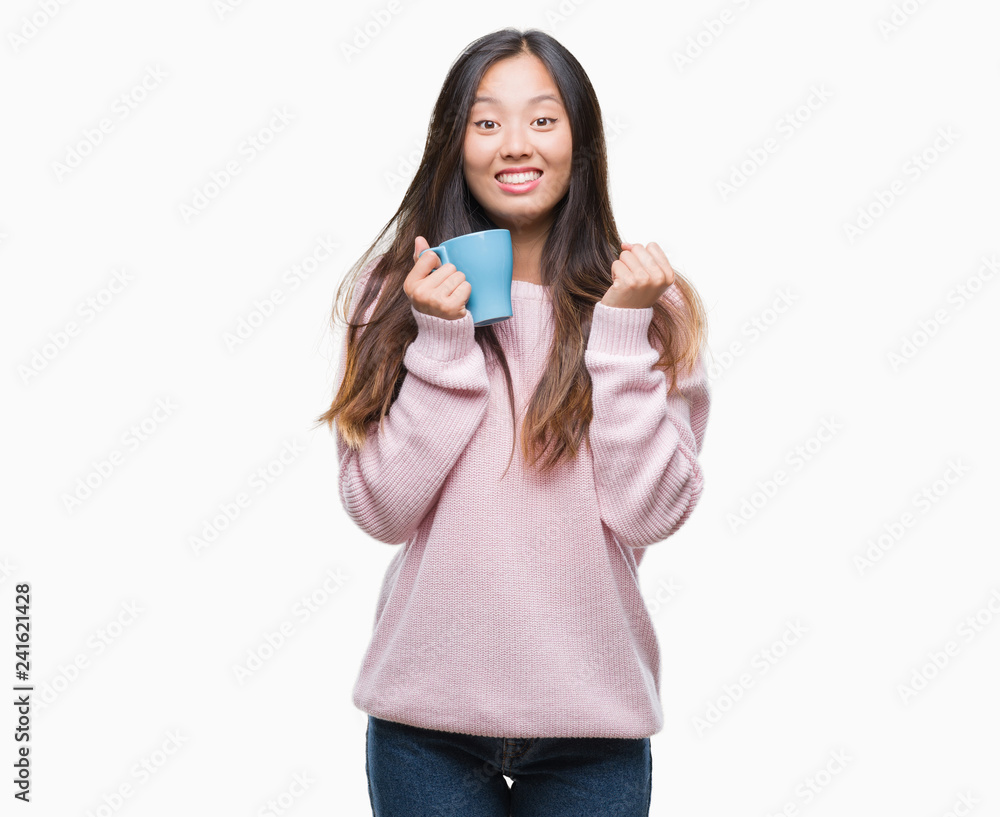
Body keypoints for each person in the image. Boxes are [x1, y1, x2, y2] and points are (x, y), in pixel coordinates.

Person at [315, 26, 711, 817]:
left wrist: (620, 331)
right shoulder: (395, 294)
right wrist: (441, 340)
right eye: (487, 121)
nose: (515, 143)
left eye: (543, 118)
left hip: (594, 727)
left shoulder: (649, 302)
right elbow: (381, 511)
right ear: (453, 143)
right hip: (425, 727)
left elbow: (649, 513)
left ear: (580, 140)